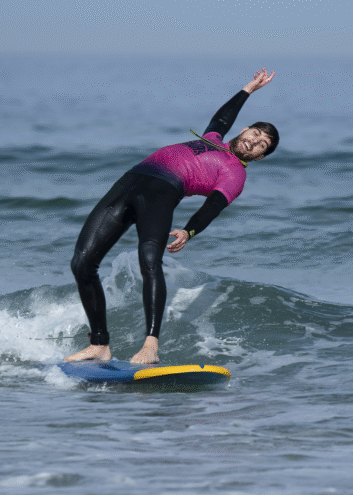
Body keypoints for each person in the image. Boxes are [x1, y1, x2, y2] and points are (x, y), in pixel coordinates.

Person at [65, 68, 279, 364]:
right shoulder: (212, 137)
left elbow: (213, 206)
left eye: (262, 145)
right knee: (82, 262)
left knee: (149, 262)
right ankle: (99, 344)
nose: (255, 141)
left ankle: (150, 347)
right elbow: (222, 117)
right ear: (243, 130)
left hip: (162, 193)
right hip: (128, 183)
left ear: (260, 157)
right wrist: (249, 89)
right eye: (254, 133)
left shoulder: (235, 174)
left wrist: (190, 230)